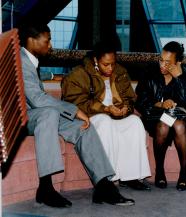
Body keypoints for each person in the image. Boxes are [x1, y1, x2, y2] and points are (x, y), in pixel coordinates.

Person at [19, 23, 135, 207]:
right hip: (24, 117)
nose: (50, 45)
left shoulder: (28, 60)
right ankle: (46, 188)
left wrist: (50, 76)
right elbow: (37, 100)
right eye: (47, 40)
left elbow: (30, 81)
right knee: (49, 113)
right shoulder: (20, 60)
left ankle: (103, 185)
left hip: (38, 114)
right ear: (32, 40)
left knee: (83, 126)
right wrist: (74, 110)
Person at [61, 41, 151, 190]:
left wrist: (126, 108)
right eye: (105, 64)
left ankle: (130, 177)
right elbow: (75, 103)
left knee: (135, 122)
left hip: (114, 116)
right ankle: (108, 178)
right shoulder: (78, 74)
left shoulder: (120, 72)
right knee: (104, 121)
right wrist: (105, 109)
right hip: (91, 117)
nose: (110, 68)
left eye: (113, 64)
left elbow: (130, 98)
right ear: (96, 60)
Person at [135, 41, 186, 191]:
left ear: (178, 62)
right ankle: (160, 170)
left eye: (168, 62)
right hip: (155, 119)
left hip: (180, 121)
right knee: (163, 125)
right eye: (161, 60)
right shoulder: (150, 73)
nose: (162, 65)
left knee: (178, 125)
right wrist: (160, 104)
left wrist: (178, 79)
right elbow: (140, 101)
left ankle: (184, 172)